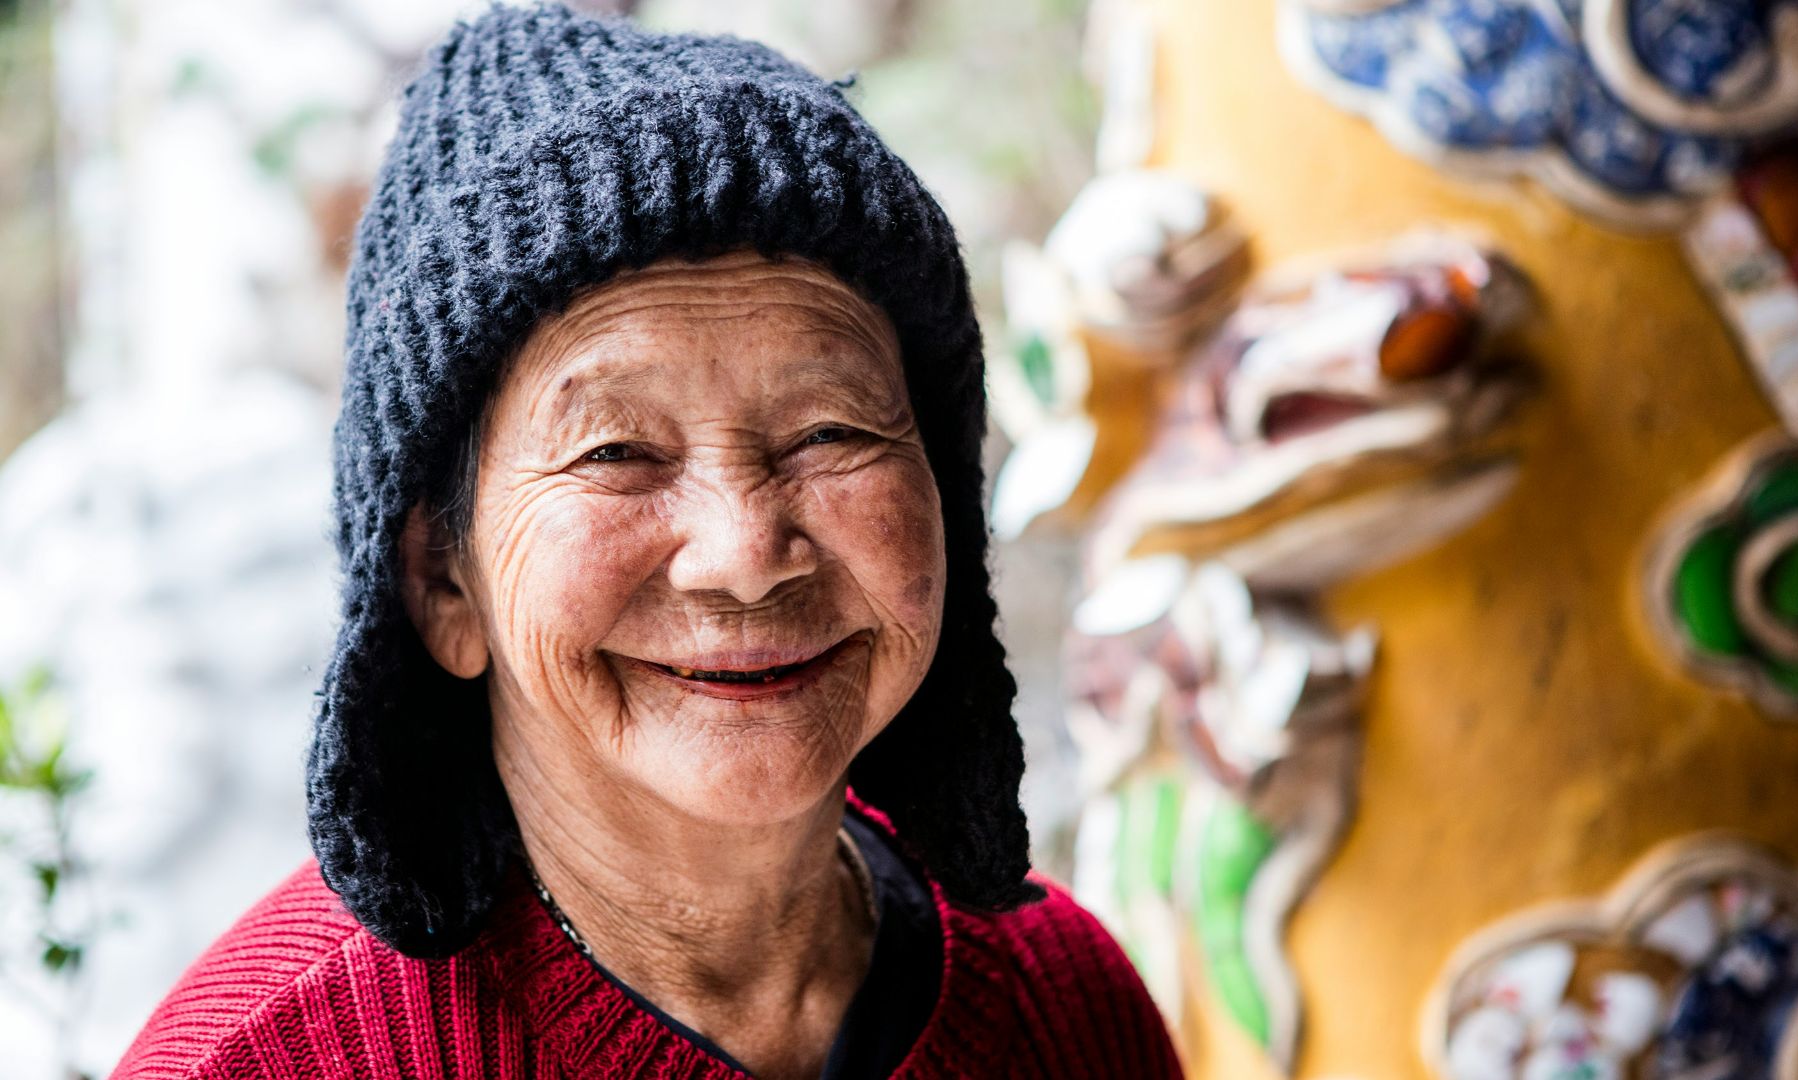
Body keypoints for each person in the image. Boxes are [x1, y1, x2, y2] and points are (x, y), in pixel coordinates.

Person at [112, 4, 1182, 1078]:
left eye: (830, 431)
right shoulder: (264, 1060)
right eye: (617, 451)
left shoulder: (1068, 1006)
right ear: (442, 577)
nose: (745, 551)